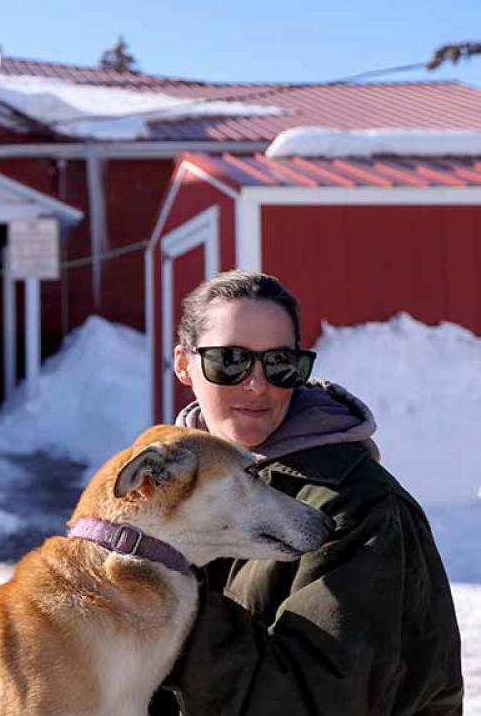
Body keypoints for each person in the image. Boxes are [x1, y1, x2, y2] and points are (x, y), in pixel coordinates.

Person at [150, 270, 462, 715]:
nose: (256, 385)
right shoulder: (167, 483)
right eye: (230, 361)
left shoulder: (354, 503)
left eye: (279, 364)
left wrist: (167, 608)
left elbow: (317, 700)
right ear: (184, 364)